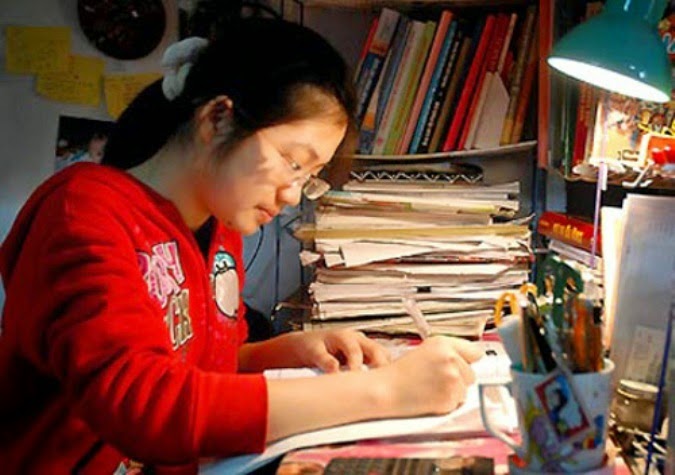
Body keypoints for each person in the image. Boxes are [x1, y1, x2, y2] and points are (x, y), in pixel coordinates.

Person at [0, 18, 482, 474]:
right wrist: (385, 391)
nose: (293, 195)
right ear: (217, 119)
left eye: (310, 177)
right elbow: (146, 404)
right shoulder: (83, 212)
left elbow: (197, 364)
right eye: (294, 163)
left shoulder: (218, 226)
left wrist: (285, 351)